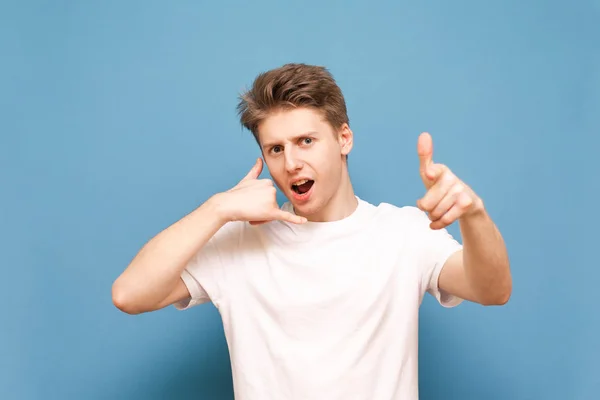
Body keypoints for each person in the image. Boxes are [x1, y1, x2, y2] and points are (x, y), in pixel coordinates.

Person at [112, 63, 512, 400]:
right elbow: (130, 294)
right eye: (276, 149)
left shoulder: (403, 233)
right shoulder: (239, 242)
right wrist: (217, 209)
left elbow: (493, 290)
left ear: (343, 138)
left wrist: (474, 215)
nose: (291, 163)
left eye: (306, 141)